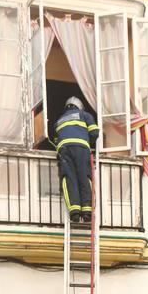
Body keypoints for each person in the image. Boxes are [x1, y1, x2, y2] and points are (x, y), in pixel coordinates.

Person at [54, 96, 99, 224]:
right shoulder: (85, 115)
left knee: (69, 178)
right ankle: (87, 211)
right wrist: (88, 142)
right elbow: (95, 132)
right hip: (81, 149)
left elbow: (55, 140)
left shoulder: (59, 120)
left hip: (64, 150)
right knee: (84, 177)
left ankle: (74, 212)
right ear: (79, 106)